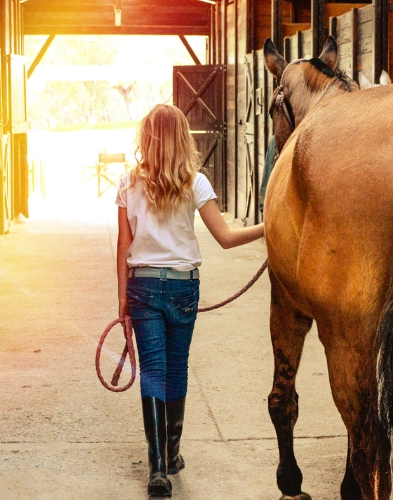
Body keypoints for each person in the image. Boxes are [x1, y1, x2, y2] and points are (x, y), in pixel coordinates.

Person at [115, 104, 264, 498]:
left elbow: (122, 246)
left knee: (152, 370)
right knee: (176, 368)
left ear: (146, 137)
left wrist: (121, 300)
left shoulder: (127, 184)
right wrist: (271, 225)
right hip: (183, 287)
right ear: (183, 137)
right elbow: (227, 238)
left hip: (142, 286)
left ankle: (158, 468)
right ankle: (174, 451)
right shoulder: (195, 183)